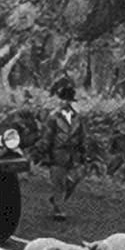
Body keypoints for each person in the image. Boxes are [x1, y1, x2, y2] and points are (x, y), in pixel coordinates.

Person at [39, 74, 87, 222]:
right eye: (64, 99)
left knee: (75, 178)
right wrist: (45, 153)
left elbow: (82, 134)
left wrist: (83, 150)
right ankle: (58, 209)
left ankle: (56, 200)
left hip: (73, 153)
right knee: (59, 183)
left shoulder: (78, 117)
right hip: (57, 152)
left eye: (69, 100)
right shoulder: (53, 117)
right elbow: (48, 136)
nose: (66, 102)